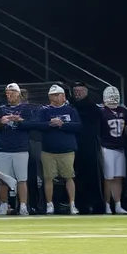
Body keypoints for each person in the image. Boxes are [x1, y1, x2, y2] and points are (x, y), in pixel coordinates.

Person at [22, 84, 82, 215]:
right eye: (52, 95)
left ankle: (72, 204)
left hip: (67, 149)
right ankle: (49, 204)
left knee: (69, 176)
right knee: (48, 178)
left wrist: (62, 124)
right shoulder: (44, 110)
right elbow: (37, 125)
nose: (55, 97)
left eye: (57, 95)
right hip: (48, 150)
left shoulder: (70, 110)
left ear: (63, 96)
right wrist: (50, 124)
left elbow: (78, 126)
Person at [0, 82, 33, 215]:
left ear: (18, 93)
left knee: (22, 179)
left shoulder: (26, 109)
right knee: (3, 179)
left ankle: (23, 206)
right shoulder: (1, 109)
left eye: (12, 92)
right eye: (7, 93)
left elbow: (31, 125)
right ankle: (3, 204)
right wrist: (1, 121)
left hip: (21, 148)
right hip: (4, 148)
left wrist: (19, 120)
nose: (9, 95)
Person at [68, 80, 104, 214]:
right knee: (77, 175)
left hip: (89, 144)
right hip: (75, 145)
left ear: (85, 91)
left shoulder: (92, 107)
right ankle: (80, 204)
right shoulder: (71, 106)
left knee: (92, 174)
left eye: (80, 91)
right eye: (75, 91)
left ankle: (96, 205)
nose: (77, 93)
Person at [97, 86, 127, 214]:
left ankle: (118, 205)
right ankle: (107, 205)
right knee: (108, 177)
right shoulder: (101, 111)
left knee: (118, 177)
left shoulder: (123, 111)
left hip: (120, 147)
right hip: (107, 147)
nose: (112, 98)